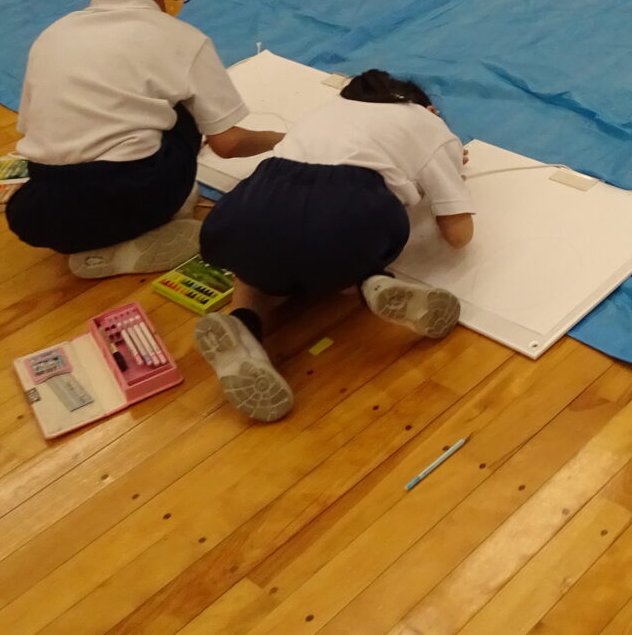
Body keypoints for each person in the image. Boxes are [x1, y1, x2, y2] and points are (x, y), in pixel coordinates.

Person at [6, 0, 286, 276]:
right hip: (133, 196)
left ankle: (103, 249)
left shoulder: (52, 34)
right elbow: (227, 143)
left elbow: (32, 128)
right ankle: (144, 233)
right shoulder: (181, 39)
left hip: (42, 209)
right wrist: (282, 140)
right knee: (186, 111)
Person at [193, 69, 474, 422]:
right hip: (343, 218)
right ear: (429, 109)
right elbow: (459, 236)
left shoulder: (324, 113)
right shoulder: (433, 128)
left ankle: (242, 327)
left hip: (246, 214)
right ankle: (371, 282)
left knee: (254, 268)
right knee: (346, 240)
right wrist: (452, 174)